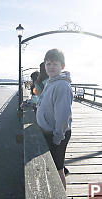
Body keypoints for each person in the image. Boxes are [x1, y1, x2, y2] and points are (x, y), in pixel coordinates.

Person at [36, 49, 73, 190]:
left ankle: (61, 194)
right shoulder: (51, 82)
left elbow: (63, 115)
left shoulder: (61, 85)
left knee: (57, 170)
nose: (50, 66)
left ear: (62, 66)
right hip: (49, 132)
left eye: (55, 64)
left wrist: (58, 138)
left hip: (58, 134)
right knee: (51, 167)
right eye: (48, 63)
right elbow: (43, 102)